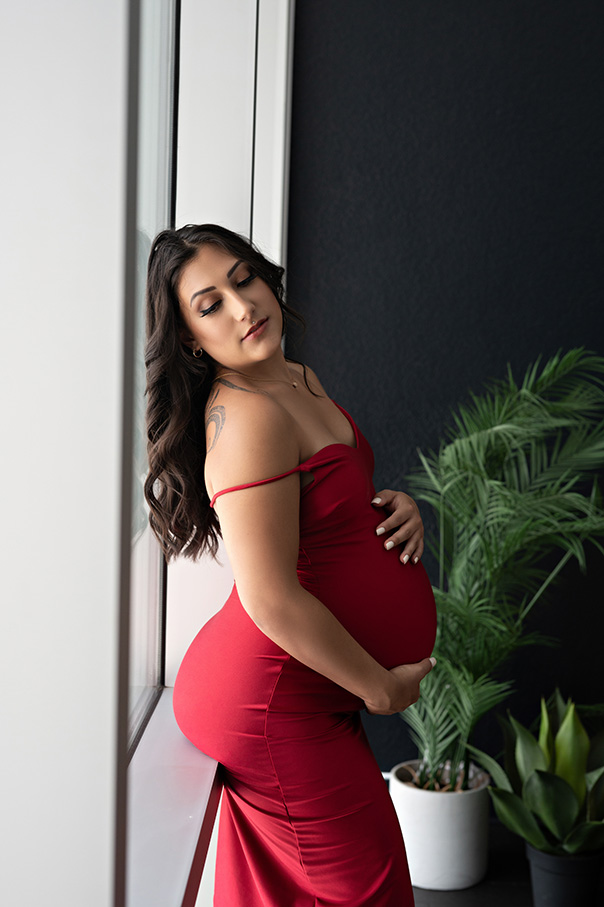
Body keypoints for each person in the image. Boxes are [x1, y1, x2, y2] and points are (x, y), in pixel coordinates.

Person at [145, 223, 437, 906]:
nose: (244, 306)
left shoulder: (294, 378)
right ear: (190, 337)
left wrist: (393, 507)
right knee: (373, 888)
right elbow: (269, 595)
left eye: (243, 277)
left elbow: (324, 510)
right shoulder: (246, 417)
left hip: (300, 689)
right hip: (272, 701)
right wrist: (380, 690)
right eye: (210, 303)